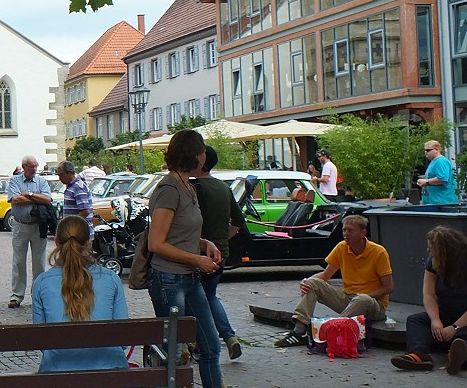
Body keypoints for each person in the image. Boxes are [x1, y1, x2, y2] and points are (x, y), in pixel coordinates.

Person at [147, 129, 256, 388]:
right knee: (175, 354)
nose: (205, 156)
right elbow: (157, 243)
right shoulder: (169, 189)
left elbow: (181, 233)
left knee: (209, 347)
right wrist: (196, 259)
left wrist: (204, 243)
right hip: (169, 279)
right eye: (201, 152)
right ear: (194, 155)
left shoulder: (187, 186)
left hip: (190, 278)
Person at [32, 215, 128, 388]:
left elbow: (40, 338)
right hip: (109, 381)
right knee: (98, 361)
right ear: (90, 241)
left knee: (64, 366)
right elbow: (124, 335)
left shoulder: (42, 282)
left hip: (62, 385)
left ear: (56, 242)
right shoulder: (111, 278)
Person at [274, 214, 394, 347]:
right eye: (344, 230)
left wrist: (364, 296)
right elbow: (325, 275)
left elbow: (388, 287)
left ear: (363, 233)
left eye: (350, 230)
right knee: (313, 283)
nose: (346, 234)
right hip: (348, 300)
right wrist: (306, 281)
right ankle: (299, 331)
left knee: (362, 299)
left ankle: (330, 331)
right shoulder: (341, 247)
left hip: (373, 305)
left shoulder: (378, 252)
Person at [191, 145, 247, 360]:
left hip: (197, 253)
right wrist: (222, 241)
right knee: (210, 296)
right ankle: (229, 337)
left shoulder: (194, 188)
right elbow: (238, 222)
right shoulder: (223, 187)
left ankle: (200, 343)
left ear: (201, 162)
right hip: (221, 252)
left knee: (194, 299)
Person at [391, 226, 467, 372]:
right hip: (446, 313)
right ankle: (419, 354)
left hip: (463, 320)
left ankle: (457, 356)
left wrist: (455, 327)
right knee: (416, 320)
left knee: (462, 337)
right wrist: (435, 320)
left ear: (444, 250)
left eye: (431, 248)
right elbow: (429, 294)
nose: (428, 251)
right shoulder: (433, 262)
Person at [7, 155, 53, 308]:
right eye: (31, 166)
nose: (34, 169)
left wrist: (30, 194)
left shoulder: (41, 181)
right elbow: (15, 200)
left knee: (39, 262)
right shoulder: (15, 180)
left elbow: (48, 200)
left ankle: (38, 295)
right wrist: (36, 198)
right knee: (19, 261)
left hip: (38, 225)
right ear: (24, 166)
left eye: (36, 166)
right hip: (20, 225)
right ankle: (17, 295)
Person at [418, 140, 459, 205]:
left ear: (436, 150)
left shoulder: (441, 161)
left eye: (428, 150)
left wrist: (426, 181)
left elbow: (442, 179)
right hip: (434, 202)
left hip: (443, 202)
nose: (426, 152)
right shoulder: (433, 162)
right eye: (425, 150)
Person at [57, 160, 93, 228]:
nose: (60, 178)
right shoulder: (71, 186)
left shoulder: (78, 187)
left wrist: (72, 227)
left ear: (69, 173)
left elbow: (85, 211)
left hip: (80, 232)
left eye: (61, 175)